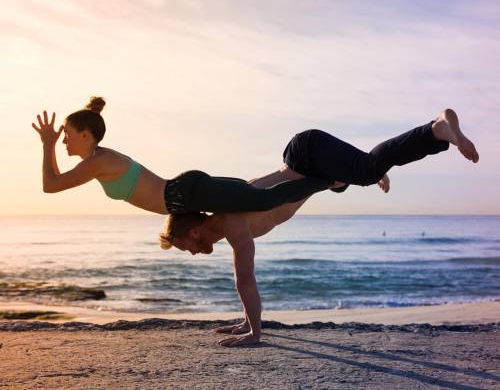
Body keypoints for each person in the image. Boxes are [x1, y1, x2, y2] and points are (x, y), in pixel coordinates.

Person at [160, 108, 479, 347]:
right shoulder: (228, 219)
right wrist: (245, 323)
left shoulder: (230, 220)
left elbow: (245, 279)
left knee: (365, 170)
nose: (188, 252)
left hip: (305, 155)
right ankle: (383, 162)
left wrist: (254, 334)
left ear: (194, 232)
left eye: (182, 246)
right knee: (361, 172)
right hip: (307, 160)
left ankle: (437, 128)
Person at [32, 97, 331, 215]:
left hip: (183, 195)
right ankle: (315, 176)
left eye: (65, 134)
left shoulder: (97, 161)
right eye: (60, 137)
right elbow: (54, 181)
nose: (62, 140)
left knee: (262, 200)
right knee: (253, 191)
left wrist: (46, 145)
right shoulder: (97, 160)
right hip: (183, 194)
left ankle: (328, 179)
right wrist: (49, 144)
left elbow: (50, 185)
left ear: (86, 135)